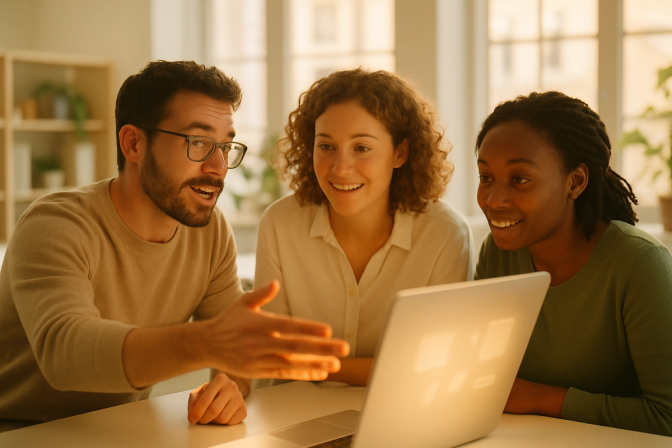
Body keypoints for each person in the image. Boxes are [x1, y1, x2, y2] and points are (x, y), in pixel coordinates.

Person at [0, 60, 349, 433]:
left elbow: (228, 346)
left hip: (119, 430)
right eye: (198, 142)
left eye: (226, 145)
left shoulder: (209, 231)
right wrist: (205, 343)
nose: (218, 166)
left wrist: (228, 386)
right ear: (133, 143)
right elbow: (64, 353)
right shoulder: (56, 225)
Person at [255, 68, 473, 387]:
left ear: (400, 152)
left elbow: (432, 364)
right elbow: (271, 351)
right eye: (326, 146)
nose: (341, 168)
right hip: (290, 415)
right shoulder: (280, 224)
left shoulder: (443, 234)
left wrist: (322, 366)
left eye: (361, 148)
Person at [474, 91, 672, 436]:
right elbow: (482, 371)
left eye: (519, 179)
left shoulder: (640, 264)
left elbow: (666, 416)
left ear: (575, 182)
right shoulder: (498, 252)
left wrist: (541, 398)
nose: (493, 200)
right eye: (486, 177)